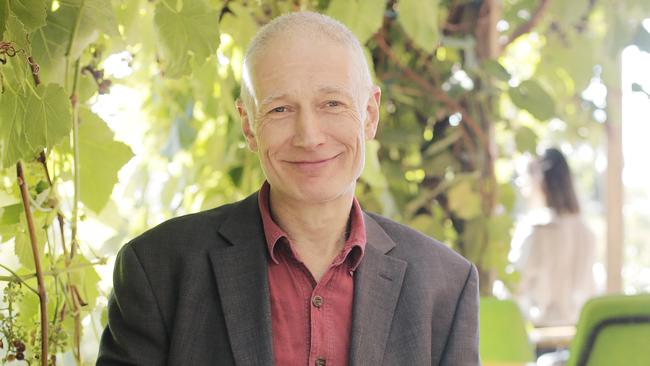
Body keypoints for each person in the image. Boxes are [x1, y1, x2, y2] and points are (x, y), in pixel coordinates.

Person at [97, 11, 479, 366]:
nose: (309, 136)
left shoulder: (446, 284)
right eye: (280, 109)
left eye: (332, 103)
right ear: (248, 125)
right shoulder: (158, 268)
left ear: (370, 115)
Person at [511, 148, 597, 327]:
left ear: (539, 180)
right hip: (580, 335)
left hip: (539, 337)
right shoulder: (586, 231)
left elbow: (514, 288)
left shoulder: (535, 230)